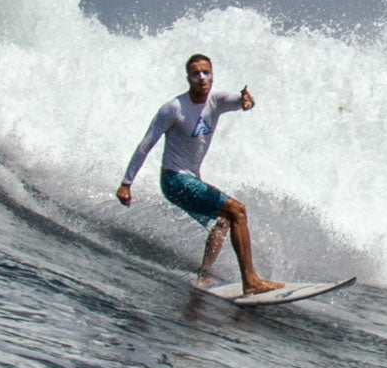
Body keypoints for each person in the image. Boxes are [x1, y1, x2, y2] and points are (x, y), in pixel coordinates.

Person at [116, 54, 282, 295]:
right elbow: (146, 144)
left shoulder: (217, 101)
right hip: (175, 180)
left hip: (189, 180)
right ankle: (251, 280)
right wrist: (126, 183)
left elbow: (243, 101)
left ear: (212, 74)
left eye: (206, 72)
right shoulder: (173, 108)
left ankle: (203, 277)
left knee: (223, 221)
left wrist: (248, 100)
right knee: (238, 211)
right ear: (188, 78)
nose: (202, 78)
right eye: (196, 74)